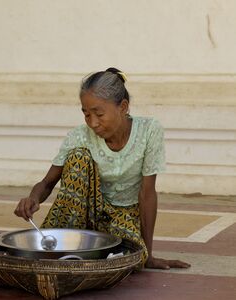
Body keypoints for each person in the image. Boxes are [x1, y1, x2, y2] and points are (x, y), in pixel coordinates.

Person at [14, 68, 191, 270]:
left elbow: (147, 193)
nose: (93, 123)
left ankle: (81, 251)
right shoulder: (79, 136)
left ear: (123, 107)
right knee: (78, 157)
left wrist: (148, 254)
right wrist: (33, 198)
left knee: (132, 258)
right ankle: (73, 246)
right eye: (86, 114)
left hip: (122, 217)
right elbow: (47, 183)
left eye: (99, 114)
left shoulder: (149, 131)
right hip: (82, 214)